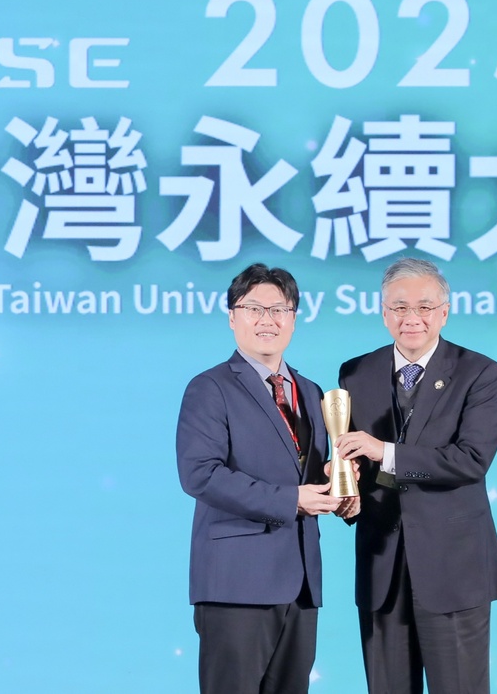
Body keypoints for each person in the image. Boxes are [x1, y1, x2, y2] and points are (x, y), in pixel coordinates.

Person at [176, 263, 356, 694]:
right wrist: (292, 499)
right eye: (254, 308)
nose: (267, 319)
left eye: (279, 309)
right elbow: (200, 475)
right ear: (232, 316)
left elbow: (311, 479)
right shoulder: (210, 387)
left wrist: (344, 494)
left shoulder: (312, 392)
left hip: (300, 585)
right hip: (236, 584)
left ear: (294, 318)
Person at [336, 257, 497, 694]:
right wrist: (347, 488)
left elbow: (470, 459)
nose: (411, 318)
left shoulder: (480, 373)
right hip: (381, 565)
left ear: (444, 312)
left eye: (425, 307)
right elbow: (352, 460)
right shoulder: (355, 373)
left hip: (453, 568)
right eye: (399, 307)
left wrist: (384, 452)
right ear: (383, 311)